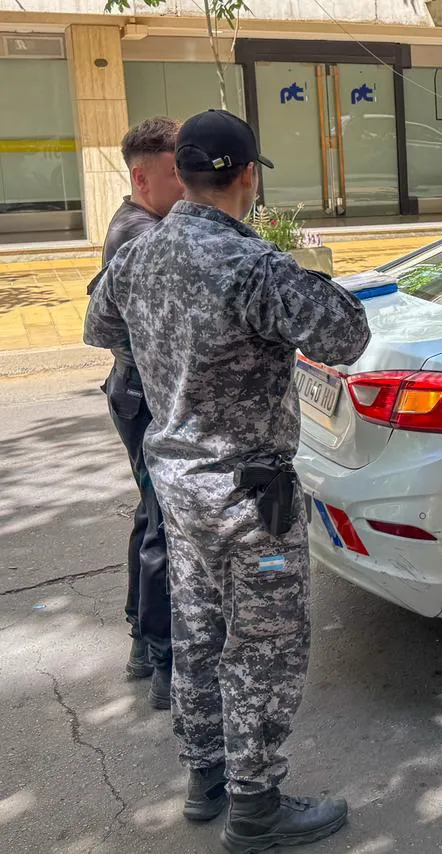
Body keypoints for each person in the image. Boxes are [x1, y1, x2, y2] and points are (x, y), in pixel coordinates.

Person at [83, 109, 371, 852]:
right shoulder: (253, 267)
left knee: (200, 631)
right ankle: (257, 807)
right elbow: (347, 336)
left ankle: (205, 777)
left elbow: (102, 329)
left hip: (179, 486)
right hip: (252, 500)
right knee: (264, 647)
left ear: (180, 174)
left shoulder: (140, 255)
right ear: (248, 177)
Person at [94, 116, 185, 709]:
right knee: (163, 524)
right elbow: (105, 328)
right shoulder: (140, 235)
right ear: (142, 176)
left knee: (151, 514)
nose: (187, 185)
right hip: (145, 395)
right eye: (178, 173)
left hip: (135, 392)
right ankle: (159, 658)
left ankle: (139, 635)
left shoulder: (139, 223)